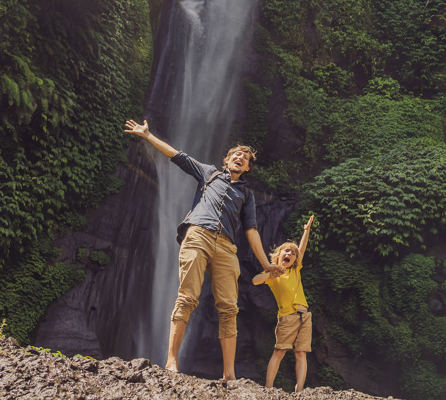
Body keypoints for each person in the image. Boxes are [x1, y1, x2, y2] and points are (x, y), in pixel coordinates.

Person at [123, 119, 283, 380]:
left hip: (227, 248)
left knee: (229, 308)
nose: (240, 157)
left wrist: (266, 265)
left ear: (248, 168)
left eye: (245, 157)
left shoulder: (247, 196)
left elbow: (251, 231)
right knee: (187, 296)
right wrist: (148, 135)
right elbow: (178, 156)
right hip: (198, 233)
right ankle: (171, 361)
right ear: (227, 159)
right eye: (236, 154)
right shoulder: (209, 173)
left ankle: (229, 374)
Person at [253, 214, 315, 392]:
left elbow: (302, 249)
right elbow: (255, 280)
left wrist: (306, 231)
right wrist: (270, 273)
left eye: (292, 253)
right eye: (286, 251)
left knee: (301, 353)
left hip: (305, 316)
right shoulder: (273, 276)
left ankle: (300, 390)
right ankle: (268, 387)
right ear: (278, 256)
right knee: (279, 351)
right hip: (287, 317)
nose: (290, 253)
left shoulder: (295, 270)